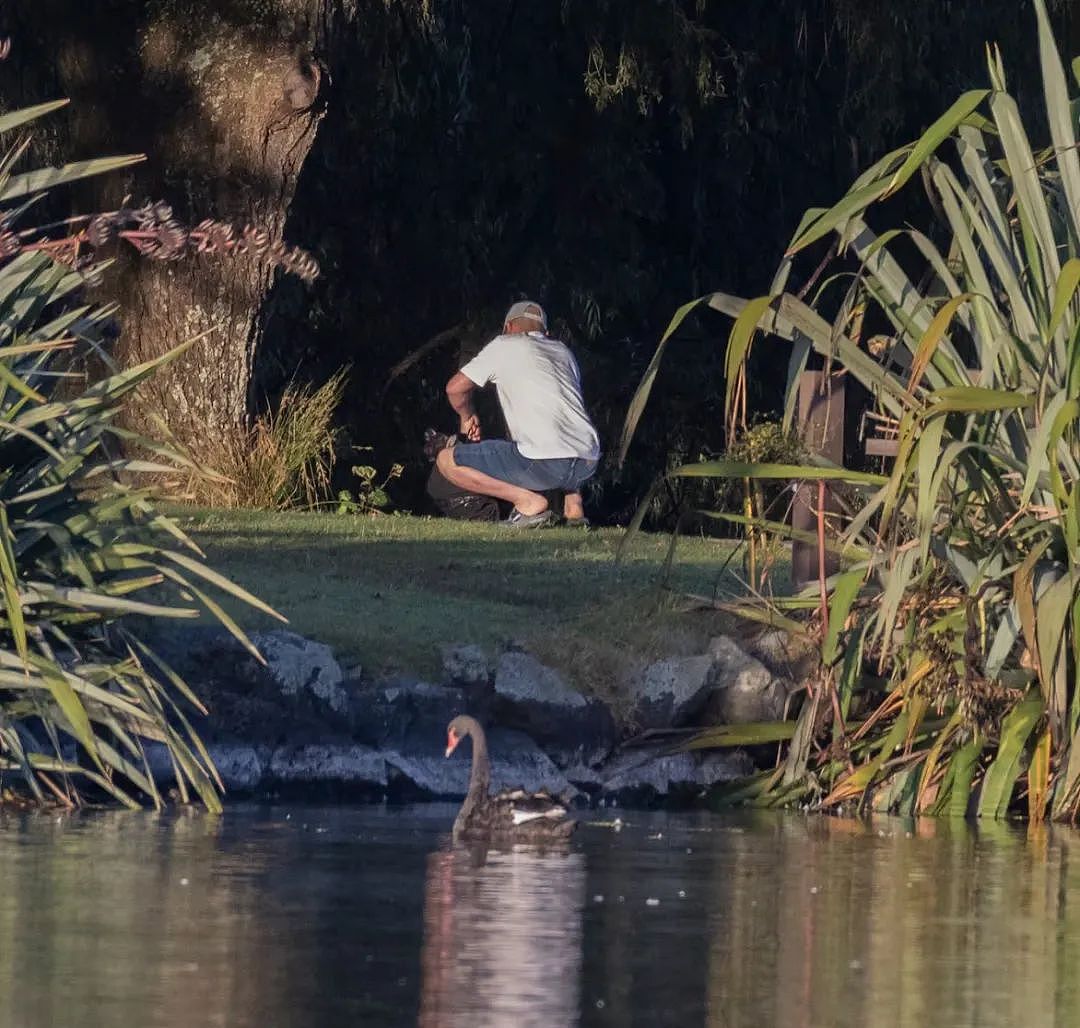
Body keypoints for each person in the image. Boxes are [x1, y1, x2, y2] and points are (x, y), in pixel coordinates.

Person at [435, 301, 600, 527]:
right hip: (587, 463)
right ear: (546, 333)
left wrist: (467, 415)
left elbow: (454, 388)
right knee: (563, 430)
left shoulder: (504, 345)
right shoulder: (563, 352)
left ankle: (528, 503)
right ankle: (574, 508)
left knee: (446, 460)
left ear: (508, 328)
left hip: (543, 463)